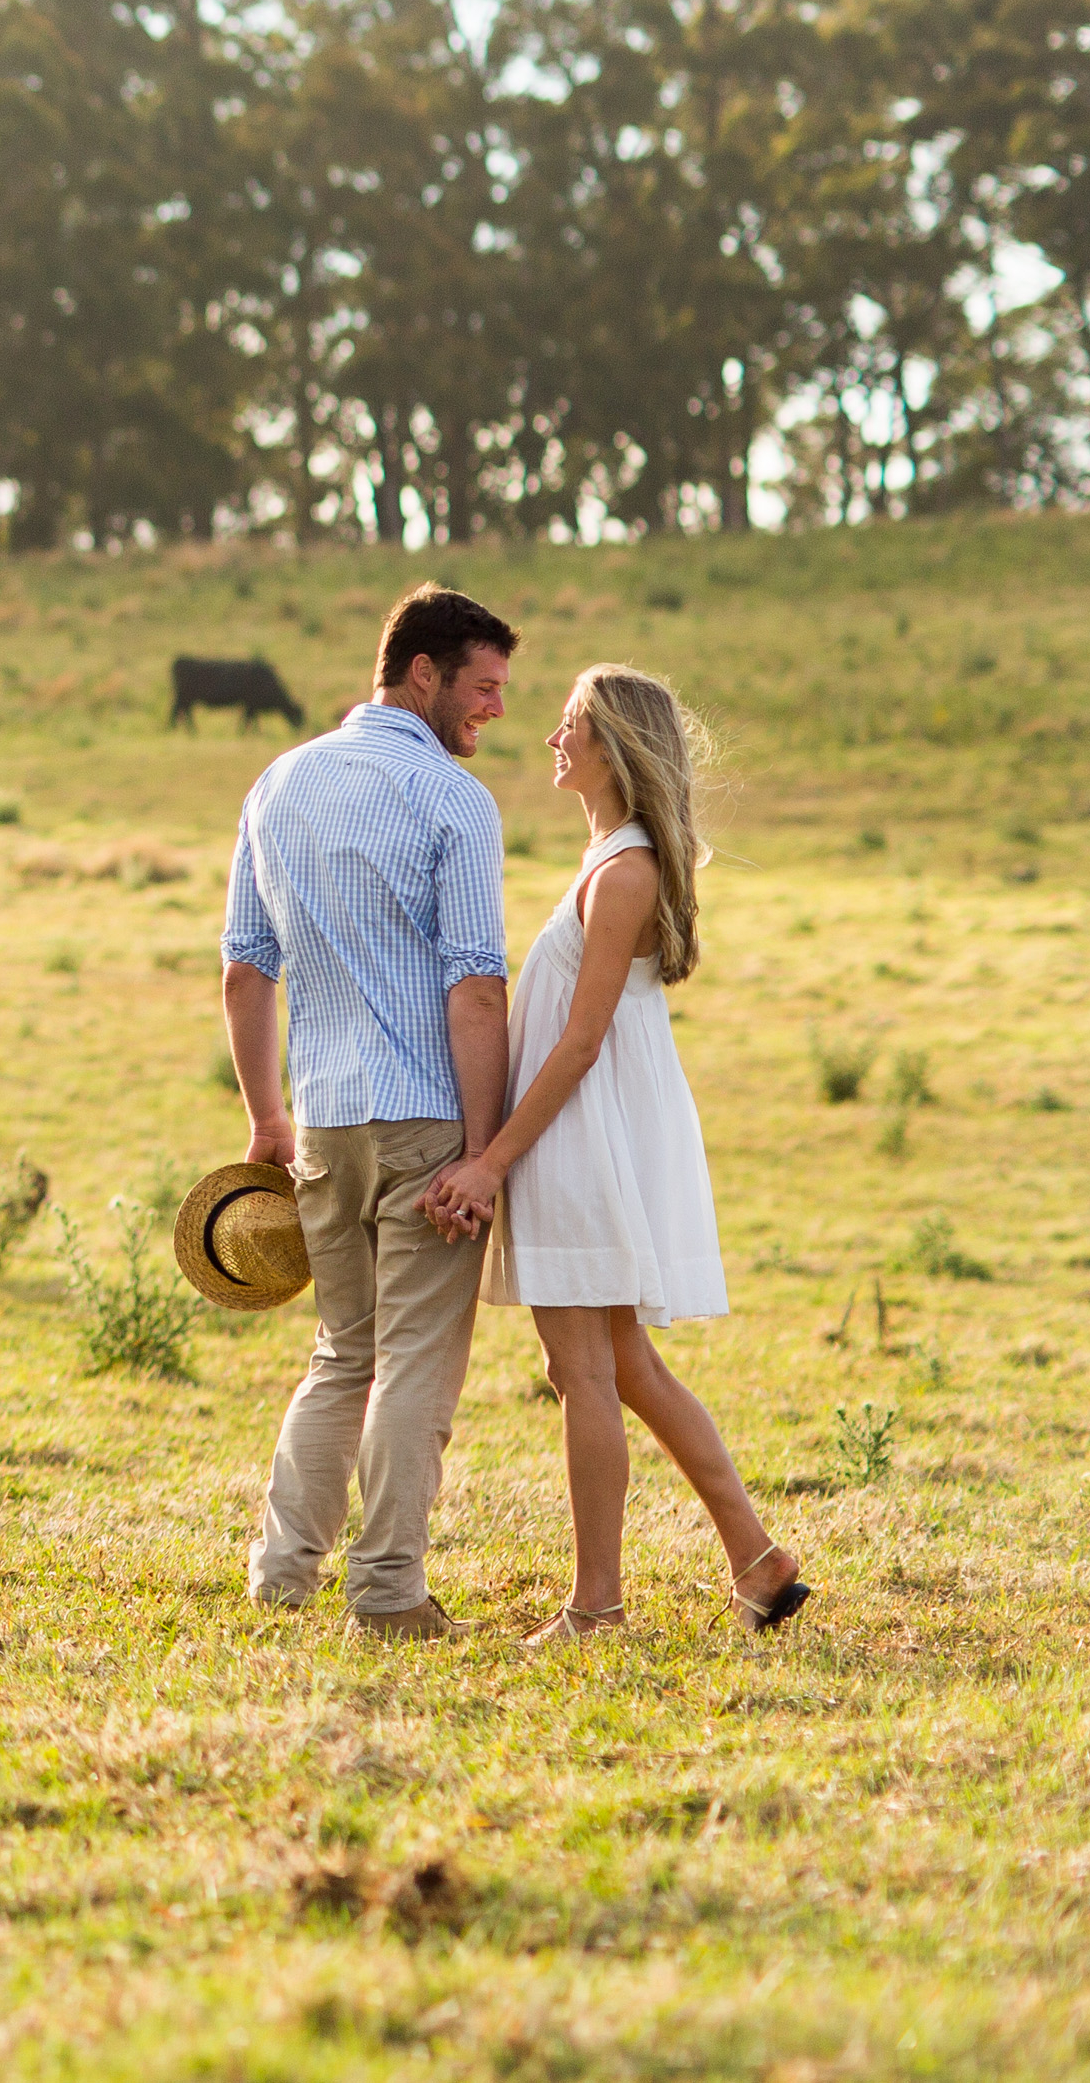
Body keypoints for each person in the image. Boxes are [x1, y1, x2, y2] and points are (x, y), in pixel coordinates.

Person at [420, 667, 810, 1642]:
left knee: (583, 1371)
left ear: (614, 747)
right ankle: (757, 1557)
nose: (553, 739)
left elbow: (580, 1039)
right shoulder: (608, 855)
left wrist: (491, 1161)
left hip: (578, 1140)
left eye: (570, 725)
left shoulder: (625, 868)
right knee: (625, 1364)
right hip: (580, 1132)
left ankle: (595, 1606)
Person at [219, 583, 518, 1638]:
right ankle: (388, 1592)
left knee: (342, 1352)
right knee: (416, 1362)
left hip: (324, 1119)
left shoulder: (278, 780)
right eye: (482, 687)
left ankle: (280, 1573)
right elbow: (475, 987)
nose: (494, 709)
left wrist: (267, 1120)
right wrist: (482, 1150)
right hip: (426, 1120)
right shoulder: (451, 799)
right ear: (422, 672)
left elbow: (244, 971)